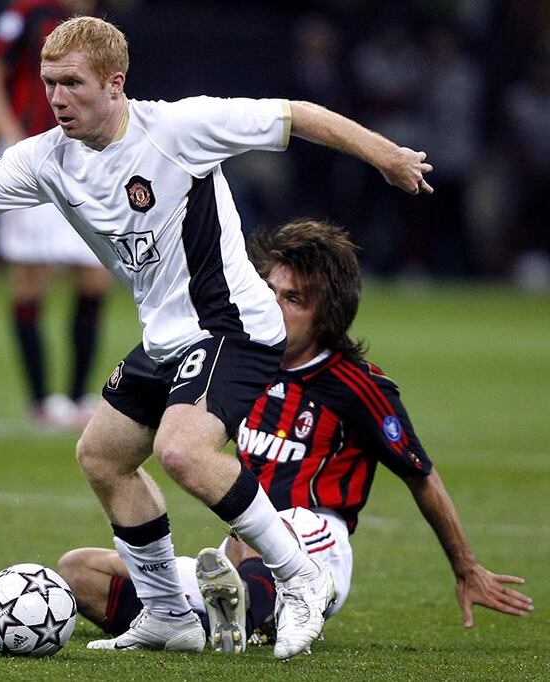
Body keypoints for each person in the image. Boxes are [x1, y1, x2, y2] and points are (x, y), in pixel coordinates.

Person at [0, 17, 434, 661]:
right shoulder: (47, 159)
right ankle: (169, 614)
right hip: (169, 338)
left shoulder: (178, 130)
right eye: (49, 83)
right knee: (103, 456)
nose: (57, 98)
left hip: (232, 325)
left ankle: (298, 577)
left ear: (115, 84)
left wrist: (386, 156)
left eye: (72, 84)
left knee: (183, 451)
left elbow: (297, 114)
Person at [56, 219, 534, 654]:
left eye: (294, 299)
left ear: (328, 314)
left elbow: (421, 477)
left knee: (246, 538)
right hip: (237, 550)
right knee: (80, 571)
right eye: (270, 290)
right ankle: (219, 620)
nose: (274, 305)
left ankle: (258, 605)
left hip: (316, 541)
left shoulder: (354, 386)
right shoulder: (236, 367)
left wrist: (466, 567)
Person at [0, 0, 111, 428]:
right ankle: (40, 400)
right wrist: (8, 130)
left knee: (95, 274)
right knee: (32, 276)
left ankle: (78, 395)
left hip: (88, 156)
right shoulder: (29, 13)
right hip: (35, 155)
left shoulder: (98, 23)